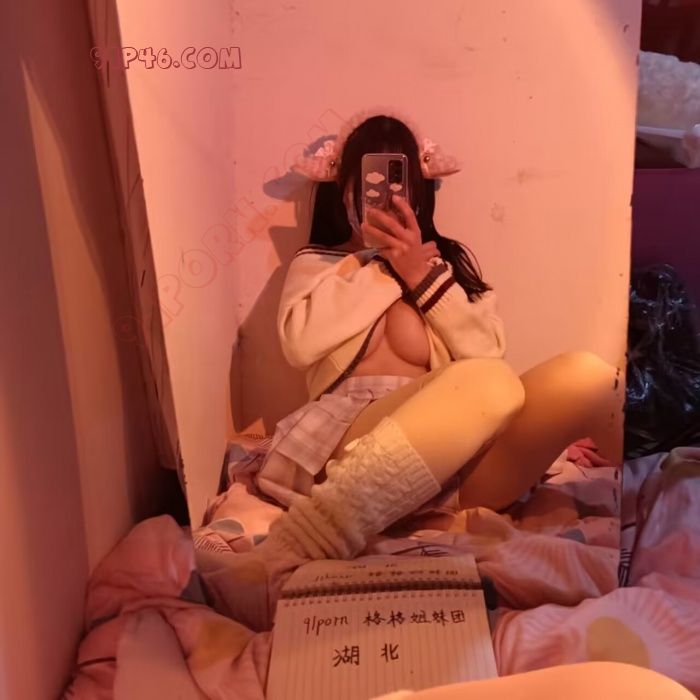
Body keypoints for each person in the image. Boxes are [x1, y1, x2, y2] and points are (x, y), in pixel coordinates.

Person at [196, 109, 620, 633]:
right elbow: (301, 345)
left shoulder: (446, 266)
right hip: (346, 449)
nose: (384, 201)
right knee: (488, 380)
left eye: (400, 189)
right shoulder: (319, 264)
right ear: (343, 192)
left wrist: (422, 274)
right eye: (368, 189)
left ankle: (650, 503)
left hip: (448, 465)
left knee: (588, 374)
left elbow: (487, 349)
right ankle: (285, 554)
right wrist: (385, 268)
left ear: (419, 194)